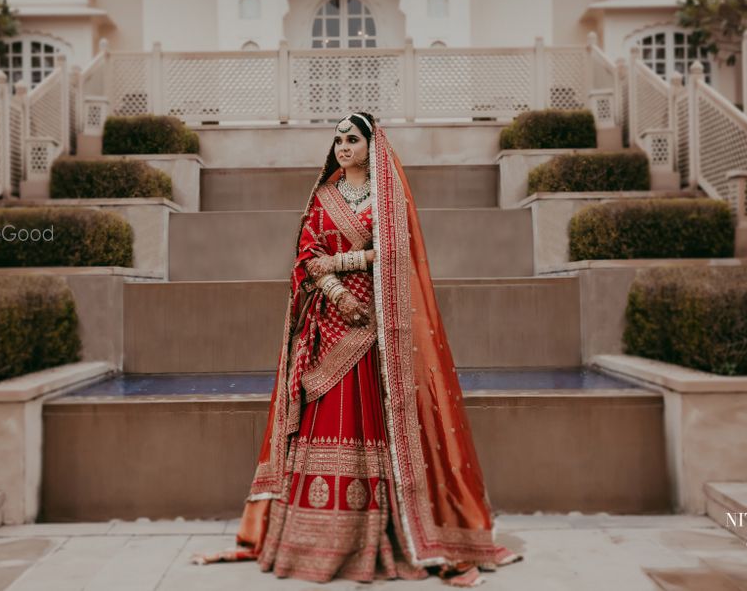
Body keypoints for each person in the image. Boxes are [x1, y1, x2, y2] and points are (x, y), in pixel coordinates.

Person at [194, 112, 522, 587]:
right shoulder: (323, 196)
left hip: (376, 327)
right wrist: (339, 292)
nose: (344, 146)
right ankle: (309, 540)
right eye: (338, 140)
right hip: (329, 324)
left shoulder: (386, 197)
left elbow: (396, 252)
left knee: (372, 414)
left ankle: (383, 532)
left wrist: (348, 261)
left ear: (371, 145)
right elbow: (306, 258)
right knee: (325, 411)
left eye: (352, 139)